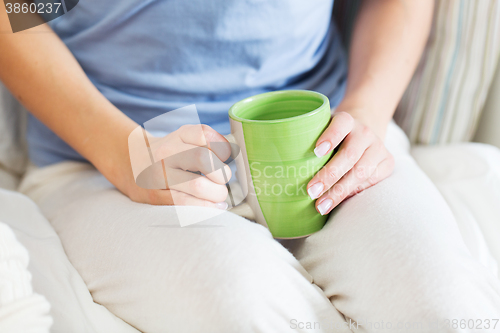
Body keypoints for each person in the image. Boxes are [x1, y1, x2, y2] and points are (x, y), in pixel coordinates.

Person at [1, 0, 499, 332]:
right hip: (118, 150)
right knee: (240, 310)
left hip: (318, 130)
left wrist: (367, 111)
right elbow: (18, 10)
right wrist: (122, 151)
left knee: (441, 309)